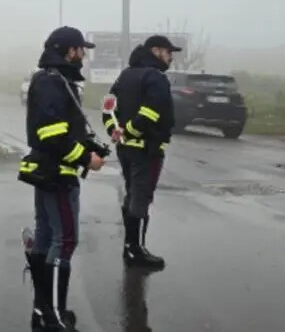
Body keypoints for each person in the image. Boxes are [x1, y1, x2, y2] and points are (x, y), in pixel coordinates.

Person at [19, 26, 110, 331]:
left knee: (46, 237)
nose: (83, 54)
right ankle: (55, 316)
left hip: (54, 172)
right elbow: (51, 135)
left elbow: (63, 130)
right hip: (57, 175)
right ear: (69, 50)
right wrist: (87, 159)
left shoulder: (56, 80)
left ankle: (43, 311)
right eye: (80, 49)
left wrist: (90, 145)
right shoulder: (52, 82)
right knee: (65, 240)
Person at [102, 35, 181, 270]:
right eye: (168, 52)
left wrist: (116, 131)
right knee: (141, 199)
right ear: (156, 51)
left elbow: (108, 107)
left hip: (126, 150)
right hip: (147, 150)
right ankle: (135, 251)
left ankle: (131, 246)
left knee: (132, 196)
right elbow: (151, 112)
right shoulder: (155, 77)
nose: (171, 58)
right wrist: (131, 131)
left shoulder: (125, 74)